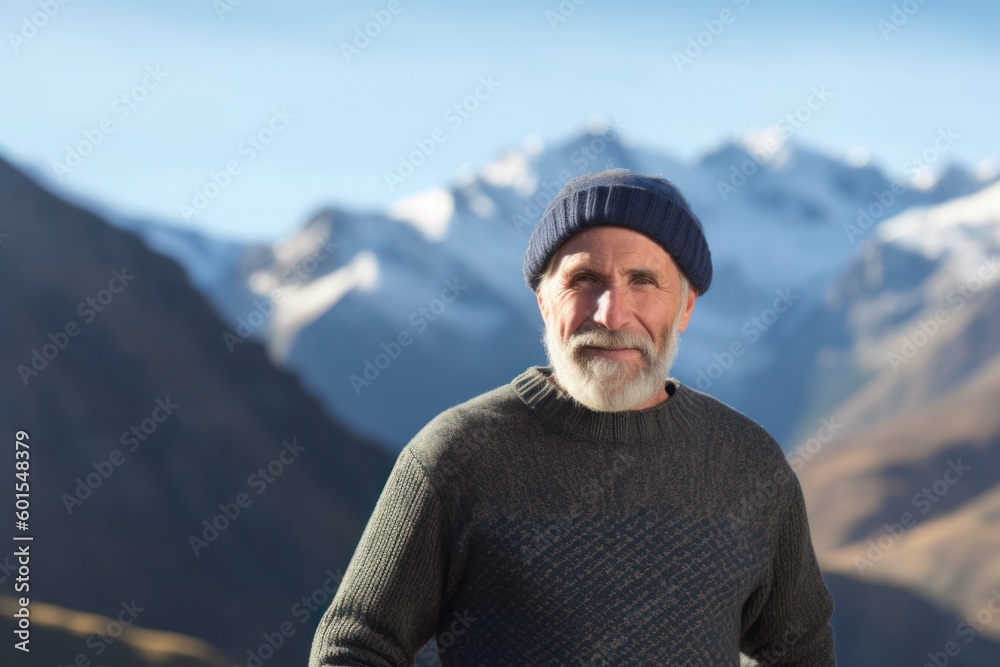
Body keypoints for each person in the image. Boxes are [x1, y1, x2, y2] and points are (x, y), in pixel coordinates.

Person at [309, 168, 837, 666]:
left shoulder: (749, 464)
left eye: (643, 281)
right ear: (543, 300)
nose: (611, 314)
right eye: (585, 278)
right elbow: (353, 648)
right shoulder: (458, 455)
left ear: (686, 307)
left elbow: (801, 652)